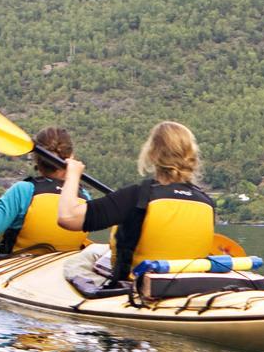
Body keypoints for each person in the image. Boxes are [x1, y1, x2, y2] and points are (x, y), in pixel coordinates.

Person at [54, 121, 219, 284]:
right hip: (188, 286)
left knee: (79, 260)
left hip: (137, 286)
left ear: (152, 154)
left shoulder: (136, 196)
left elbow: (67, 217)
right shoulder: (206, 202)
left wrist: (73, 175)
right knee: (98, 250)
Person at [0, 127, 91, 254]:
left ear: (36, 160)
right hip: (61, 271)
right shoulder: (84, 197)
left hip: (16, 269)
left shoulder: (23, 191)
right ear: (71, 158)